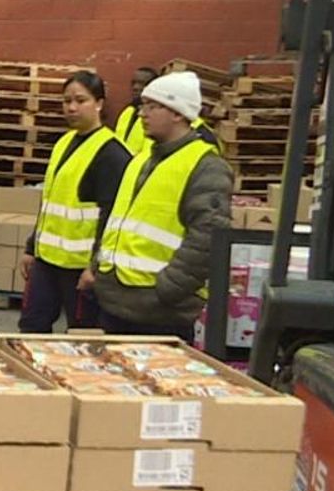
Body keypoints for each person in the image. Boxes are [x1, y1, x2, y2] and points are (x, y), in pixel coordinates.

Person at [85, 70, 233, 340]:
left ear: (178, 113)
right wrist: (98, 267)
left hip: (160, 314)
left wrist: (169, 289)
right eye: (143, 106)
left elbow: (208, 238)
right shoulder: (140, 160)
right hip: (116, 304)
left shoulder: (207, 167)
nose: (142, 113)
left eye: (153, 107)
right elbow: (115, 220)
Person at [17, 72, 132, 332]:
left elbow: (112, 217)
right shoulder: (64, 143)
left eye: (81, 100)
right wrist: (31, 247)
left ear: (99, 103)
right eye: (66, 100)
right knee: (31, 326)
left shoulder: (112, 154)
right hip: (46, 261)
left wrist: (95, 267)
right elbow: (50, 203)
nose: (71, 107)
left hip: (80, 268)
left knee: (81, 334)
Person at [113, 66, 158, 154]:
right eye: (133, 83)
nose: (136, 87)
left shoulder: (156, 116)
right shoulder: (127, 111)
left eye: (142, 84)